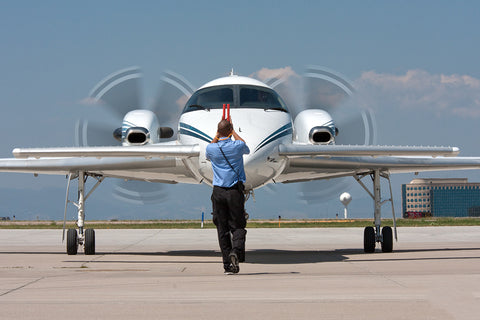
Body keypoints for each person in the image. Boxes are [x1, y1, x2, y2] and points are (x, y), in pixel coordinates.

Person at [206, 119, 250, 274]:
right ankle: (236, 252)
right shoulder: (236, 146)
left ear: (218, 131)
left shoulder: (211, 148)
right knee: (238, 225)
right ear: (230, 129)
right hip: (234, 191)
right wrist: (233, 132)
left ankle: (227, 265)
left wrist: (217, 135)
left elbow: (209, 152)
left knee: (222, 228)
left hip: (218, 192)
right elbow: (245, 146)